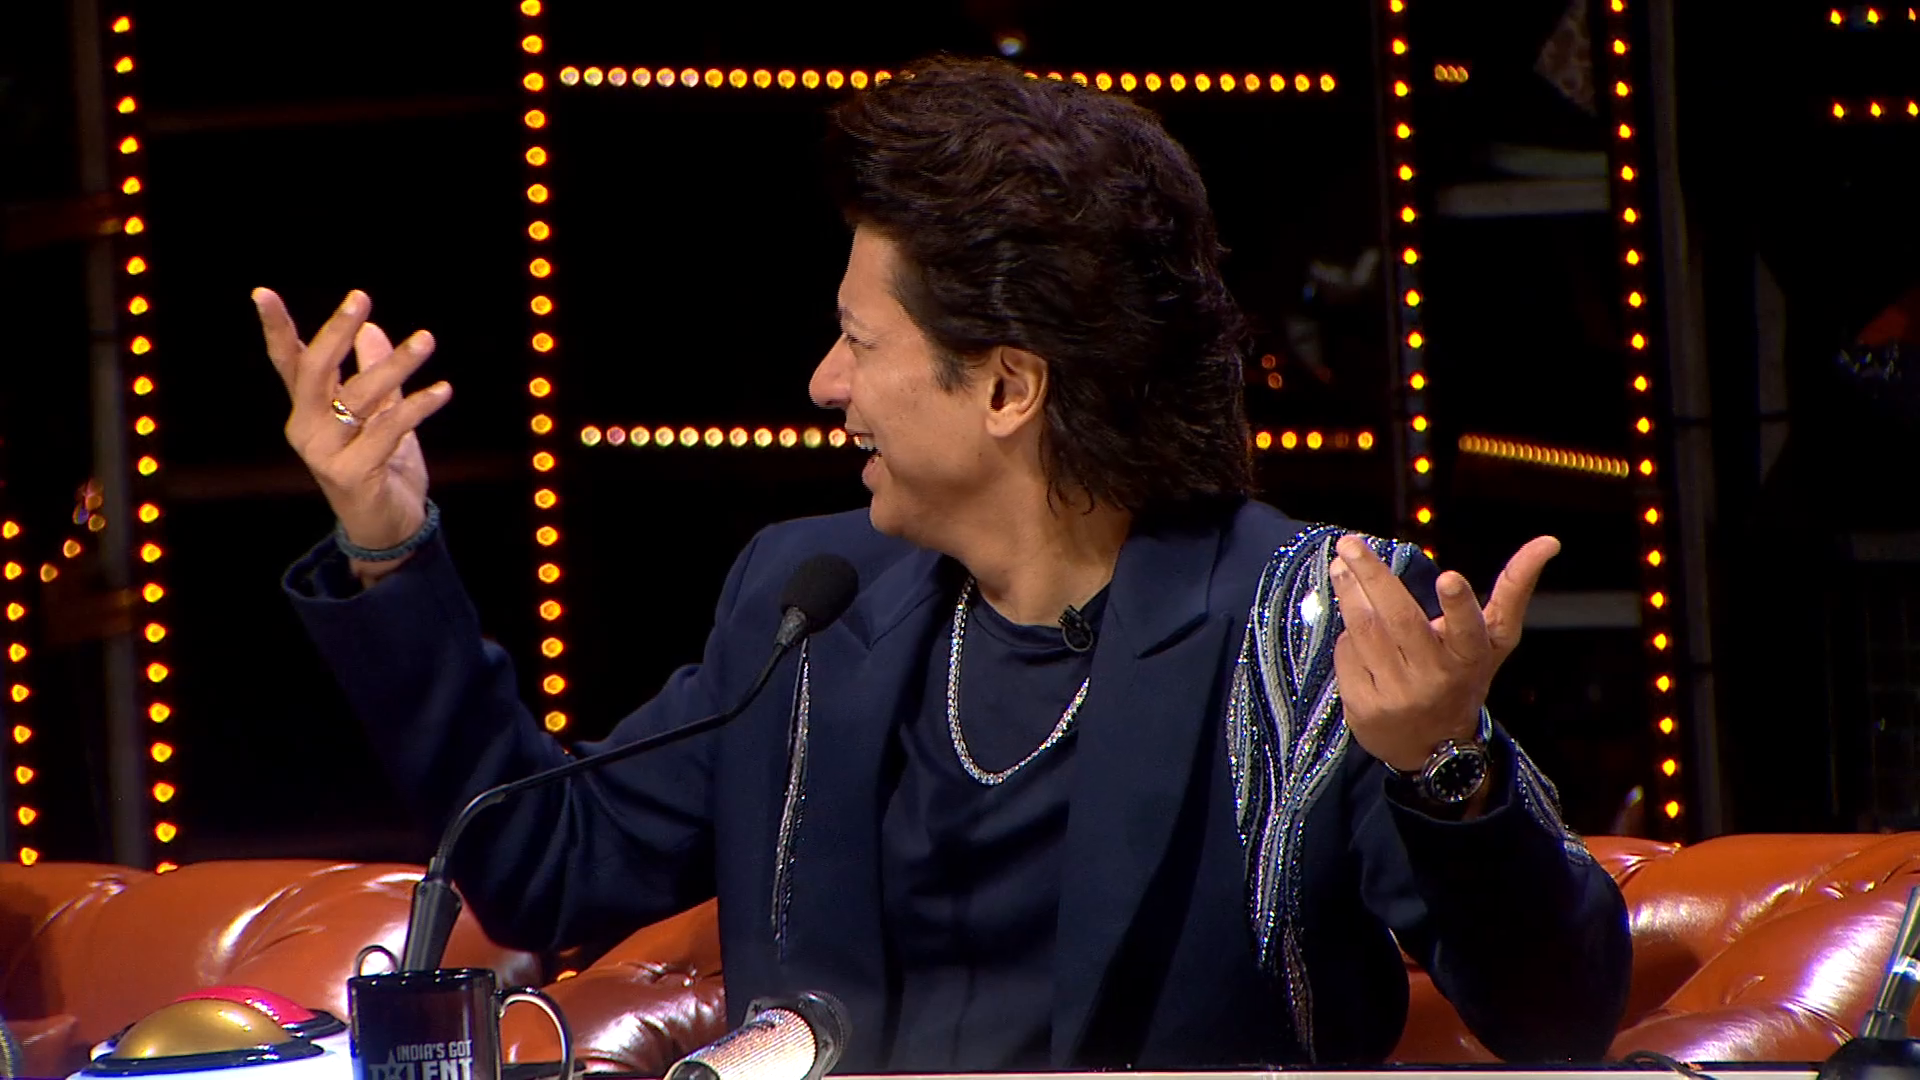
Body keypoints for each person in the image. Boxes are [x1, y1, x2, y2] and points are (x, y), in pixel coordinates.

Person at [264, 56, 1629, 1072]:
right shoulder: (808, 609)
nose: (823, 385)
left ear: (1007, 388)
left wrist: (1444, 769)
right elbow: (541, 861)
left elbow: (1558, 1017)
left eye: (861, 343)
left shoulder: (1312, 628)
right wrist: (388, 542)